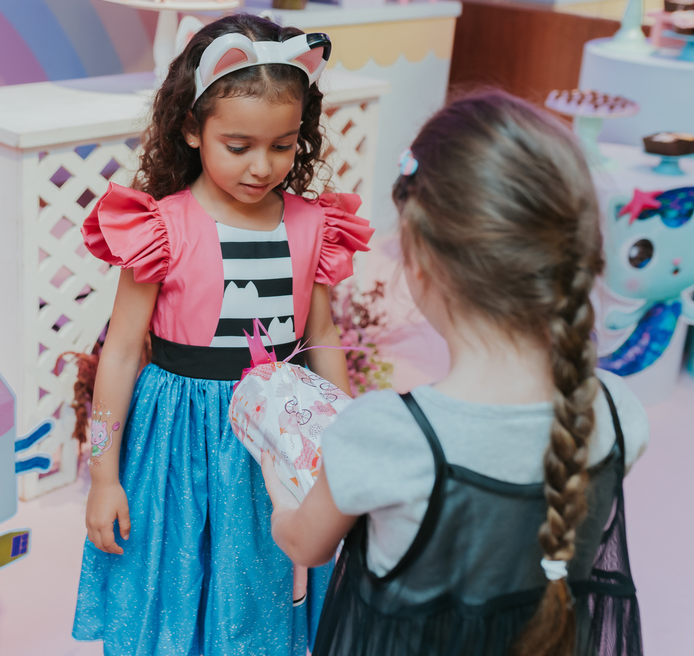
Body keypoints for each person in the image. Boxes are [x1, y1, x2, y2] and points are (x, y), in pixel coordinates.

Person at [260, 91, 649, 656]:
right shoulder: (620, 412)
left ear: (418, 260)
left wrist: (280, 491)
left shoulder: (388, 433)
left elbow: (306, 545)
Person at [72, 13, 374, 656]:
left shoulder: (314, 225)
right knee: (176, 575)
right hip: (176, 441)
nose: (262, 167)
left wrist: (344, 442)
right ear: (191, 128)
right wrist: (103, 474)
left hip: (273, 441)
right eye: (238, 146)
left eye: (283, 145)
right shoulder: (160, 227)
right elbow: (122, 353)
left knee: (264, 583)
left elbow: (321, 338)